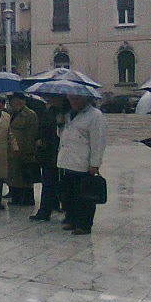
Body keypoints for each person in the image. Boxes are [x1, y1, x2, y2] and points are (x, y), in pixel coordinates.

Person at [57, 94, 107, 236]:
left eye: (77, 99)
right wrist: (60, 124)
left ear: (86, 99)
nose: (74, 102)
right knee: (69, 194)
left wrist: (95, 163)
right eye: (71, 99)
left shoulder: (95, 116)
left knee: (85, 196)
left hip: (83, 163)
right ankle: (71, 219)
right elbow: (62, 136)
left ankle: (84, 224)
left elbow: (98, 141)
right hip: (67, 161)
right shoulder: (67, 115)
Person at [30, 95, 65, 221]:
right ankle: (45, 210)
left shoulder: (67, 113)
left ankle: (63, 208)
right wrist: (39, 139)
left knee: (62, 183)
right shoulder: (48, 111)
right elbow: (42, 128)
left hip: (62, 153)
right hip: (48, 153)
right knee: (48, 182)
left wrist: (61, 124)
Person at [7, 92, 39, 206]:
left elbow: (32, 134)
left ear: (19, 101)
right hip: (12, 150)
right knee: (14, 175)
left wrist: (29, 151)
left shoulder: (30, 115)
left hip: (24, 150)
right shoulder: (12, 113)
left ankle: (26, 199)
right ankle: (15, 197)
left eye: (13, 100)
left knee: (24, 176)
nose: (10, 103)